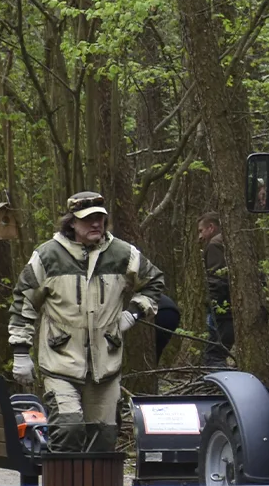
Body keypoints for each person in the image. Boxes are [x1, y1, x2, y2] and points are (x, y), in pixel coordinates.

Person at [9, 191, 165, 452]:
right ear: (71, 222)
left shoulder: (122, 253)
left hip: (106, 364)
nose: (96, 224)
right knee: (68, 429)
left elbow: (154, 283)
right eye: (88, 219)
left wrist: (133, 313)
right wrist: (21, 352)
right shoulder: (48, 256)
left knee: (103, 441)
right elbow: (23, 302)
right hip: (61, 362)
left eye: (100, 218)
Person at [197, 212, 233, 368]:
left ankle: (216, 386)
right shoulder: (229, 240)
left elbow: (217, 279)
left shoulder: (215, 244)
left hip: (222, 310)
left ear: (211, 227)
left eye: (201, 230)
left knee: (214, 354)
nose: (199, 236)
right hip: (230, 307)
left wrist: (213, 306)